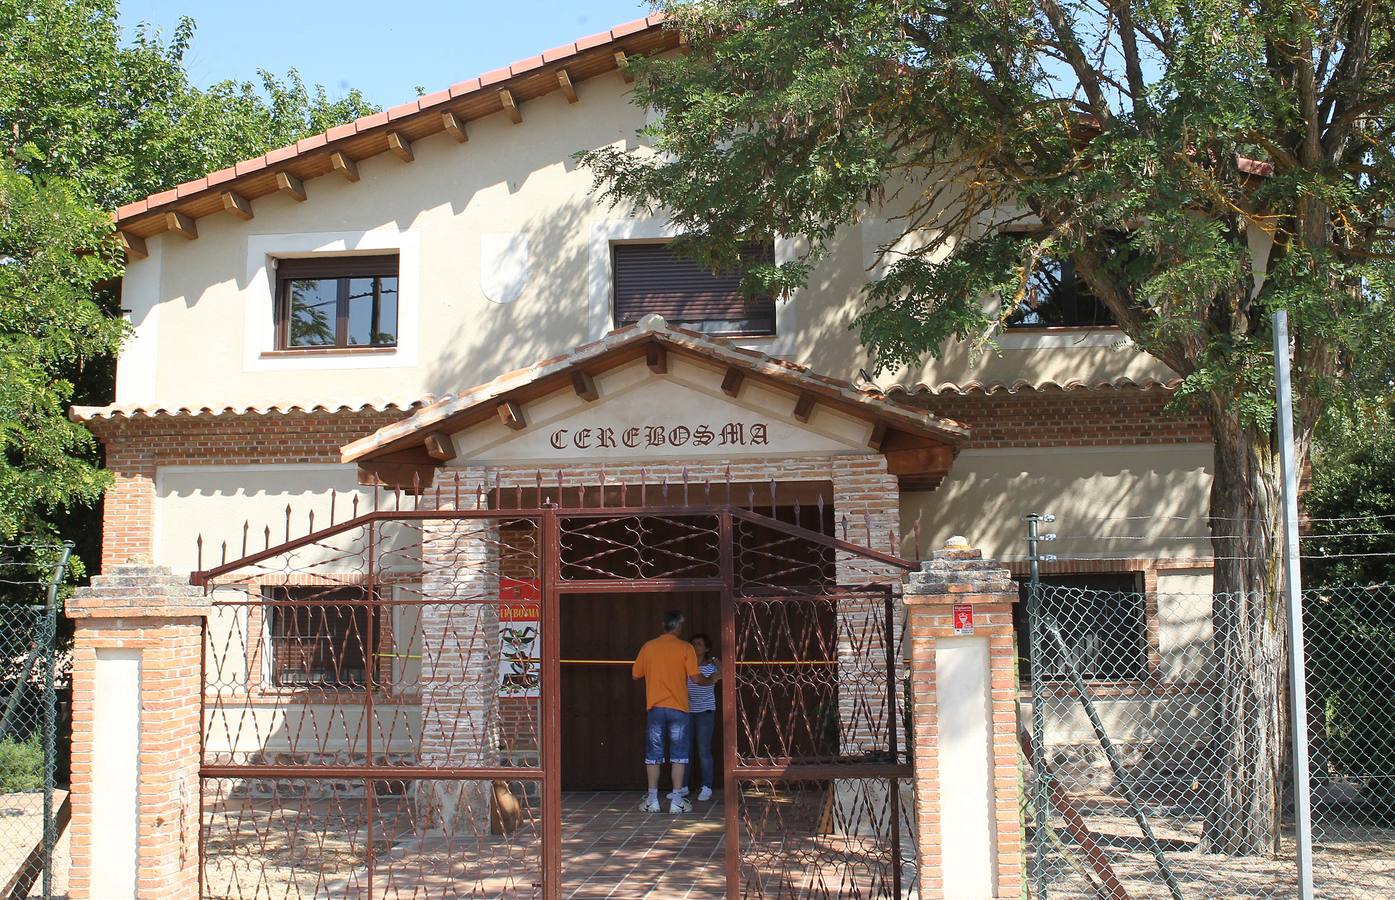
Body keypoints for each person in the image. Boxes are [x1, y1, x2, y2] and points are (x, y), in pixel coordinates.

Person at [632, 610, 699, 812]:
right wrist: (713, 678)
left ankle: (652, 800)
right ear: (678, 626)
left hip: (655, 707)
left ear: (663, 625)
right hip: (678, 708)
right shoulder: (686, 648)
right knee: (679, 755)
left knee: (653, 754)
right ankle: (676, 801)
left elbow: (636, 674)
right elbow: (696, 678)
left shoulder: (649, 647)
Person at [686, 633, 720, 801]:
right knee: (685, 750)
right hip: (687, 711)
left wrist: (718, 662)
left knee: (703, 750)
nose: (695, 646)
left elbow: (727, 674)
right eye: (693, 643)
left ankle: (706, 786)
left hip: (705, 712)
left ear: (706, 648)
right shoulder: (686, 665)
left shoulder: (711, 666)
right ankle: (683, 786)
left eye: (699, 644)